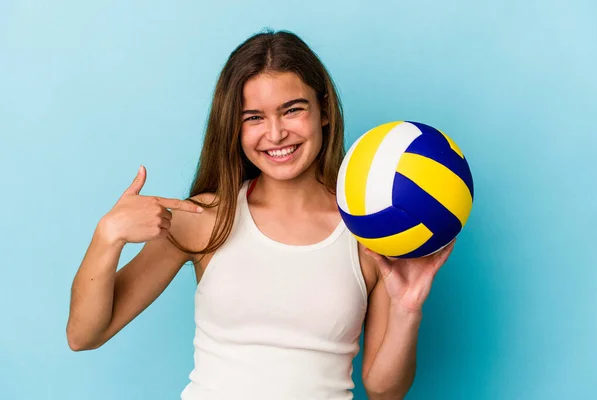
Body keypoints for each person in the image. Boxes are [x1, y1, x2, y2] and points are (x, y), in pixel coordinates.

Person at [66, 29, 455, 400]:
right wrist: (108, 235)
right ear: (234, 127)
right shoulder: (204, 218)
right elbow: (84, 335)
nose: (275, 134)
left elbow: (386, 391)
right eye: (254, 117)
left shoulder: (369, 229)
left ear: (323, 111)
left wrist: (407, 309)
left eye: (292, 110)